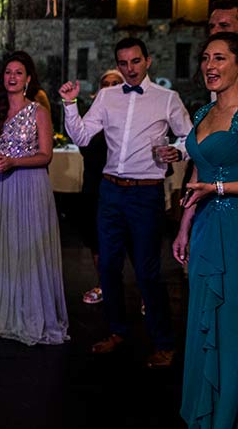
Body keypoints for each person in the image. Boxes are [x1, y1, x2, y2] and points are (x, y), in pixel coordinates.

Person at [60, 37, 193, 367]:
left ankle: (164, 342)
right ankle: (117, 331)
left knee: (148, 272)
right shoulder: (107, 96)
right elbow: (81, 136)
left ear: (147, 61)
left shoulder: (167, 98)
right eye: (123, 63)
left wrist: (179, 152)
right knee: (107, 267)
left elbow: (191, 137)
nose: (130, 68)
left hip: (145, 193)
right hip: (110, 192)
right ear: (117, 65)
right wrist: (69, 104)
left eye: (135, 61)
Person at [0, 52, 69, 345]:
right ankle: (6, 311)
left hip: (30, 184)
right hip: (3, 185)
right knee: (7, 247)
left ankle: (33, 314)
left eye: (18, 72)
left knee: (29, 248)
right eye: (8, 72)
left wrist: (14, 162)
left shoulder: (37, 110)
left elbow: (45, 155)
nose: (12, 77)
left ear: (28, 79)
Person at [172, 32, 238, 427]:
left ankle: (224, 415)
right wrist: (184, 224)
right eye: (205, 58)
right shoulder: (201, 114)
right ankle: (203, 412)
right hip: (205, 228)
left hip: (234, 229)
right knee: (202, 323)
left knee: (229, 326)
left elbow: (211, 181)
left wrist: (216, 189)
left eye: (220, 58)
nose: (210, 66)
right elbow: (198, 170)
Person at [76, 69, 124, 305]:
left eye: (116, 83)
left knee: (132, 242)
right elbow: (83, 144)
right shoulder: (92, 117)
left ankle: (146, 293)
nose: (111, 87)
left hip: (123, 188)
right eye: (106, 83)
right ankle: (103, 284)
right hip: (95, 187)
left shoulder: (130, 117)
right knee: (96, 241)